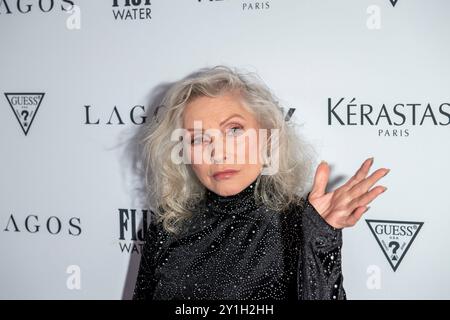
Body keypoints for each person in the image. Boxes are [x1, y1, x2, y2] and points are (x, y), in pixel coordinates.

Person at [132, 65, 389, 300]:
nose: (218, 153)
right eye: (198, 139)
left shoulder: (300, 223)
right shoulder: (168, 224)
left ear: (267, 136)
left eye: (234, 130)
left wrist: (321, 239)